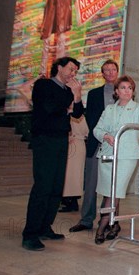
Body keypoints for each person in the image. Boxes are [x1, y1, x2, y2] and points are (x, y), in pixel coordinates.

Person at [21, 56, 83, 251]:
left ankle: (44, 227)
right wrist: (70, 99)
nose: (73, 74)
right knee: (43, 185)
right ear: (59, 67)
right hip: (45, 139)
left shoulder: (67, 91)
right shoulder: (44, 85)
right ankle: (30, 234)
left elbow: (78, 114)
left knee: (56, 186)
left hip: (61, 140)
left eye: (75, 71)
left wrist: (77, 95)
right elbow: (50, 108)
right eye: (71, 69)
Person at [92, 75, 139, 244]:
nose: (127, 91)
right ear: (116, 91)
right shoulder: (109, 110)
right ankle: (114, 225)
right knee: (112, 191)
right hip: (108, 154)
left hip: (127, 156)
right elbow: (97, 129)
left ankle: (102, 225)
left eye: (130, 88)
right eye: (123, 87)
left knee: (114, 191)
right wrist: (105, 136)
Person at [69, 59, 118, 233]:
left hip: (117, 145)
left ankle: (109, 221)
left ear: (117, 72)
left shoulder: (124, 93)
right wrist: (101, 134)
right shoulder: (94, 94)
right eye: (107, 70)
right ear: (102, 74)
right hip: (96, 143)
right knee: (90, 184)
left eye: (113, 69)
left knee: (112, 186)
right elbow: (89, 118)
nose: (110, 73)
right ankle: (86, 219)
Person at [59, 111, 89, 212]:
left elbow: (86, 130)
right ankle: (70, 200)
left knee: (72, 175)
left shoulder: (75, 115)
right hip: (77, 144)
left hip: (74, 145)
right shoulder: (78, 116)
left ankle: (70, 201)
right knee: (73, 175)